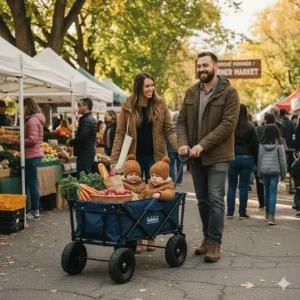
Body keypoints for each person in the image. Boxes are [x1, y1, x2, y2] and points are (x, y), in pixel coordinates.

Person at [177, 51, 240, 263]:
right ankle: (206, 237)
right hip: (195, 157)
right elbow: (181, 122)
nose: (202, 69)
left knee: (215, 198)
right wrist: (184, 143)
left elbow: (228, 125)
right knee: (202, 200)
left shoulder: (229, 93)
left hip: (219, 156)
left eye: (206, 65)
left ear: (216, 66)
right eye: (199, 66)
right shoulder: (191, 92)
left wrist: (203, 145)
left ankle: (215, 242)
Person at [110, 72, 177, 183]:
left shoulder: (160, 104)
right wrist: (114, 159)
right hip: (134, 157)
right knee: (135, 192)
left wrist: (179, 146)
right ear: (138, 87)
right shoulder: (128, 105)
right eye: (147, 86)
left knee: (155, 190)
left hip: (155, 156)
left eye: (152, 85)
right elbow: (120, 133)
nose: (151, 89)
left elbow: (169, 130)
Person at [11, 98, 45, 220]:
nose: (21, 110)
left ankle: (35, 210)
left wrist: (17, 141)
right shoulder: (35, 120)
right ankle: (33, 209)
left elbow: (32, 140)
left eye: (22, 107)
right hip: (34, 155)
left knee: (32, 183)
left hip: (31, 155)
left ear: (27, 107)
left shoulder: (32, 121)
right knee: (31, 183)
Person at [226, 104, 259, 219]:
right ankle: (242, 212)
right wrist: (256, 158)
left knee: (231, 185)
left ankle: (230, 212)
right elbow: (255, 144)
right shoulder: (251, 126)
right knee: (244, 186)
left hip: (232, 157)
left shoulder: (231, 125)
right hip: (247, 157)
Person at [140, 157, 175, 251]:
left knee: (152, 225)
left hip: (157, 211)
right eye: (152, 175)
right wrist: (138, 198)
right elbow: (142, 195)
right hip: (145, 210)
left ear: (164, 177)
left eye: (157, 176)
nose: (154, 178)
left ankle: (151, 241)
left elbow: (170, 194)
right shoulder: (148, 186)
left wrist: (160, 194)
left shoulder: (167, 186)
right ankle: (138, 242)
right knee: (138, 222)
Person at [257, 124, 287, 225]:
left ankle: (266, 214)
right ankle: (271, 216)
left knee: (266, 192)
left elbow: (259, 159)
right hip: (275, 171)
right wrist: (283, 173)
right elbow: (282, 160)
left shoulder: (262, 144)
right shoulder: (279, 144)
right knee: (273, 193)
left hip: (264, 171)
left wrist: (259, 174)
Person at [68, 98, 97, 175]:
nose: (78, 108)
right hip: (87, 152)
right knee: (85, 175)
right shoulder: (90, 119)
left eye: (80, 105)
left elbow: (83, 137)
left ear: (86, 106)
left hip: (85, 153)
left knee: (83, 177)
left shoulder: (87, 120)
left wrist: (71, 142)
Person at [255, 113, 276, 210]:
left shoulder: (259, 129)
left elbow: (255, 142)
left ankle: (261, 204)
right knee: (271, 189)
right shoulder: (276, 129)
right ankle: (270, 210)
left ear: (265, 120)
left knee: (260, 183)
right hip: (273, 160)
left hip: (260, 155)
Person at [167, 112, 183, 185]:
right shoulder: (182, 128)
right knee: (180, 165)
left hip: (171, 149)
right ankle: (179, 181)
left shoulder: (170, 127)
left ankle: (173, 180)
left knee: (171, 165)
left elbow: (167, 137)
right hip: (181, 148)